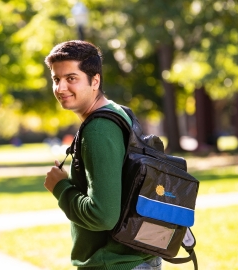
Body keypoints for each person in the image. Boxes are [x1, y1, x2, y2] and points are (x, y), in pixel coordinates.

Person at [44, 40, 161, 270]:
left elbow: (102, 216)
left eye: (71, 78)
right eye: (56, 79)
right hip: (134, 260)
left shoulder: (99, 129)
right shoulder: (117, 112)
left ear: (95, 80)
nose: (61, 88)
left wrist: (60, 188)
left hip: (116, 264)